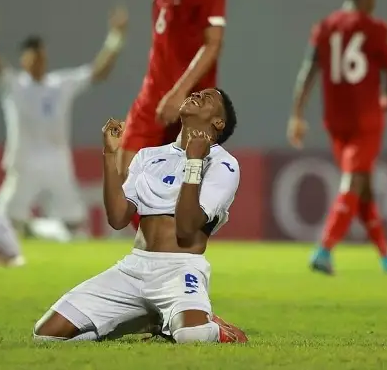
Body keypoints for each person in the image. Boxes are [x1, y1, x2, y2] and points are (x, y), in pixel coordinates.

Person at [33, 88, 248, 344]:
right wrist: (110, 154)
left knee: (193, 337)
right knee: (46, 335)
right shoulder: (149, 156)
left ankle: (215, 328)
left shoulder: (224, 164)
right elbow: (118, 217)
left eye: (207, 98)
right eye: (198, 93)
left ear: (218, 122)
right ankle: (150, 320)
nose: (197, 95)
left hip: (179, 268)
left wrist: (194, 162)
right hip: (135, 267)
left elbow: (188, 227)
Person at [0, 0, 128, 242]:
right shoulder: (14, 85)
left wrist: (115, 38)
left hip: (56, 161)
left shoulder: (59, 84)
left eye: (43, 56)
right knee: (2, 222)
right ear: (24, 60)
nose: (40, 61)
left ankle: (36, 230)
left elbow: (98, 72)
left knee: (75, 225)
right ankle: (28, 231)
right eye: (34, 57)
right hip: (24, 162)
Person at [119, 0, 227, 231]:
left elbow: (213, 43)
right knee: (128, 173)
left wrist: (180, 91)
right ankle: (152, 251)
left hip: (190, 99)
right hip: (153, 92)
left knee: (187, 186)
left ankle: (176, 257)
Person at [288, 0, 387, 275]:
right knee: (354, 182)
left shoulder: (325, 27)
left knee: (360, 187)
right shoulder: (376, 29)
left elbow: (308, 72)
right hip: (366, 118)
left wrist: (297, 114)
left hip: (335, 120)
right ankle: (324, 249)